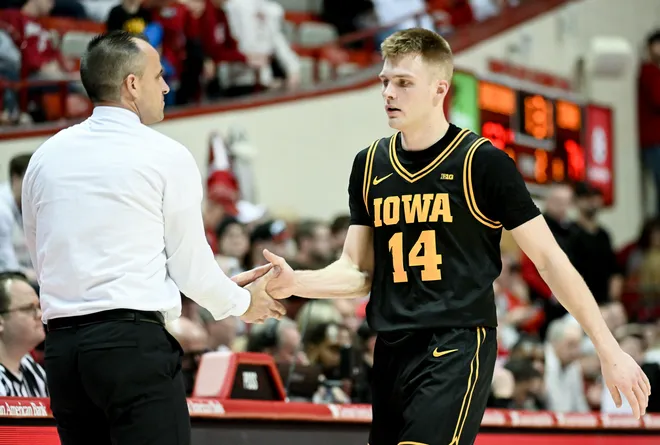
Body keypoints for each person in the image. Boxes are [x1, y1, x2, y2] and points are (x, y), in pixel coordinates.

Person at [262, 28, 652, 445]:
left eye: (403, 83)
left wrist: (608, 348)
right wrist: (297, 282)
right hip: (392, 348)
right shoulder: (369, 164)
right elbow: (358, 271)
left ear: (439, 89)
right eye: (384, 82)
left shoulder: (483, 163)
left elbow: (550, 260)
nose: (389, 93)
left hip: (457, 343)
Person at [21, 30, 285, 445]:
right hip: (130, 348)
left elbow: (41, 255)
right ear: (131, 84)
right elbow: (191, 266)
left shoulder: (44, 157)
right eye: (159, 75)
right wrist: (243, 303)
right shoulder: (165, 154)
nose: (166, 85)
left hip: (64, 352)